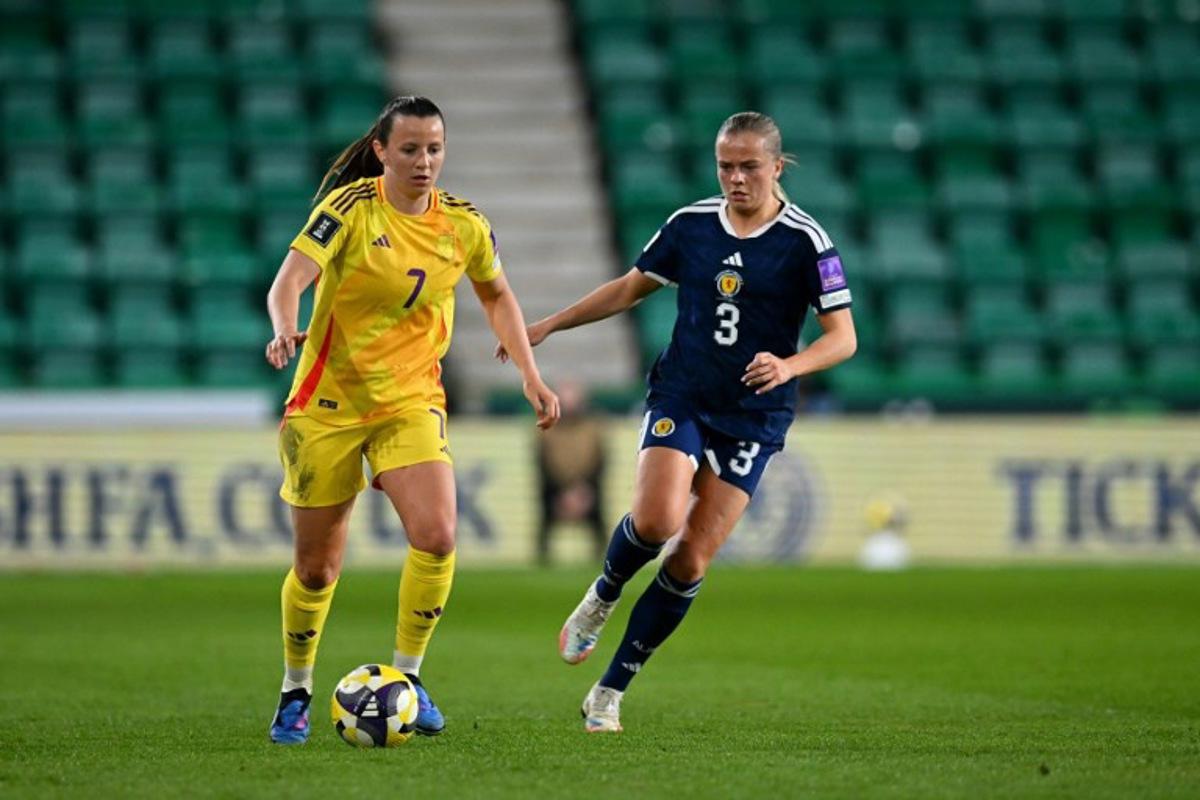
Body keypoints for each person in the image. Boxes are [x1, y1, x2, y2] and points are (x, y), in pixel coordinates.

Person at [498, 111, 857, 732]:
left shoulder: (806, 241)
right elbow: (630, 288)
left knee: (690, 561)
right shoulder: (691, 224)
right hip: (684, 395)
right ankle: (602, 594)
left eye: (749, 166)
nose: (736, 178)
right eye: (726, 165)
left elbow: (843, 338)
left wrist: (790, 365)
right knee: (658, 519)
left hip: (754, 417)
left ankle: (609, 692)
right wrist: (550, 323)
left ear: (777, 166)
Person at [263, 95, 560, 744]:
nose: (424, 162)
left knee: (438, 534)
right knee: (317, 570)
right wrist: (286, 327)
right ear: (381, 151)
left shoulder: (464, 224)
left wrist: (531, 374)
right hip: (327, 405)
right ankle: (295, 690)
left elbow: (497, 293)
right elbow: (288, 281)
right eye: (409, 150)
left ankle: (410, 678)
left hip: (411, 402)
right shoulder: (347, 210)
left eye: (433, 149)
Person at [534, 379, 608, 565]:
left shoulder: (593, 427)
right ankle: (543, 560)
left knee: (599, 521)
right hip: (554, 489)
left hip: (588, 489)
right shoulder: (545, 429)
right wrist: (563, 492)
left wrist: (582, 490)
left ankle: (604, 563)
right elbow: (542, 465)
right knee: (544, 516)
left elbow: (600, 462)